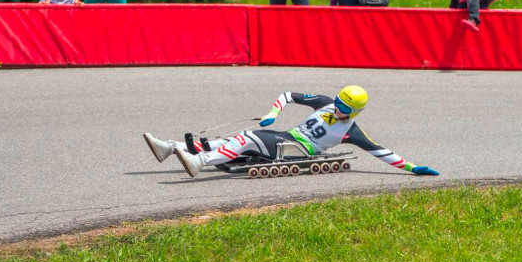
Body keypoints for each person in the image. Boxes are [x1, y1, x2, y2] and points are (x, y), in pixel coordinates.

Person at [143, 85, 439, 178]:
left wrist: (413, 168)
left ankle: (199, 162)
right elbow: (288, 95)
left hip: (298, 150)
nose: (338, 109)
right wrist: (274, 113)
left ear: (355, 112)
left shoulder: (352, 131)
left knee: (247, 138)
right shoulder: (324, 103)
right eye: (338, 103)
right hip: (286, 136)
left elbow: (381, 151)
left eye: (345, 109)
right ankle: (170, 148)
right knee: (233, 139)